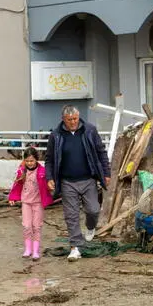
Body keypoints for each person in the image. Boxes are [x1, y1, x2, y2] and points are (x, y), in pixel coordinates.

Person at [45, 105, 111, 262]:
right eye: (69, 120)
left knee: (93, 209)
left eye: (75, 119)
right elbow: (49, 159)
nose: (73, 122)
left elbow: (101, 152)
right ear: (63, 120)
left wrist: (106, 172)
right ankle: (75, 248)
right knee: (71, 216)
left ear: (78, 116)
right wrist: (49, 178)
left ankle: (90, 227)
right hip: (67, 182)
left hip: (88, 179)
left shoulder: (89, 130)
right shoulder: (56, 135)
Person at [8, 147, 54, 261]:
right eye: (27, 161)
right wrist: (12, 197)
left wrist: (51, 187)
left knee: (36, 226)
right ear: (24, 161)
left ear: (36, 160)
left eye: (32, 161)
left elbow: (49, 184)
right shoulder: (21, 171)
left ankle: (35, 251)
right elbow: (16, 185)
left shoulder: (43, 171)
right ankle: (27, 249)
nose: (29, 163)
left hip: (38, 202)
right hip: (26, 203)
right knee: (26, 226)